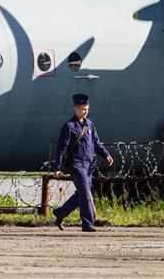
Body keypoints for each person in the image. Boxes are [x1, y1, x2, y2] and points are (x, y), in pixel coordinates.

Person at [53, 93, 113, 232]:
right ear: (75, 109)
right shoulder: (69, 126)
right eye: (82, 109)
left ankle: (61, 213)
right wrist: (57, 167)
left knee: (81, 193)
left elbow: (96, 143)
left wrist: (106, 155)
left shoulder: (90, 124)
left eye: (86, 109)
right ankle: (88, 223)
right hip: (76, 165)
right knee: (85, 193)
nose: (84, 111)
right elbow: (61, 148)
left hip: (87, 166)